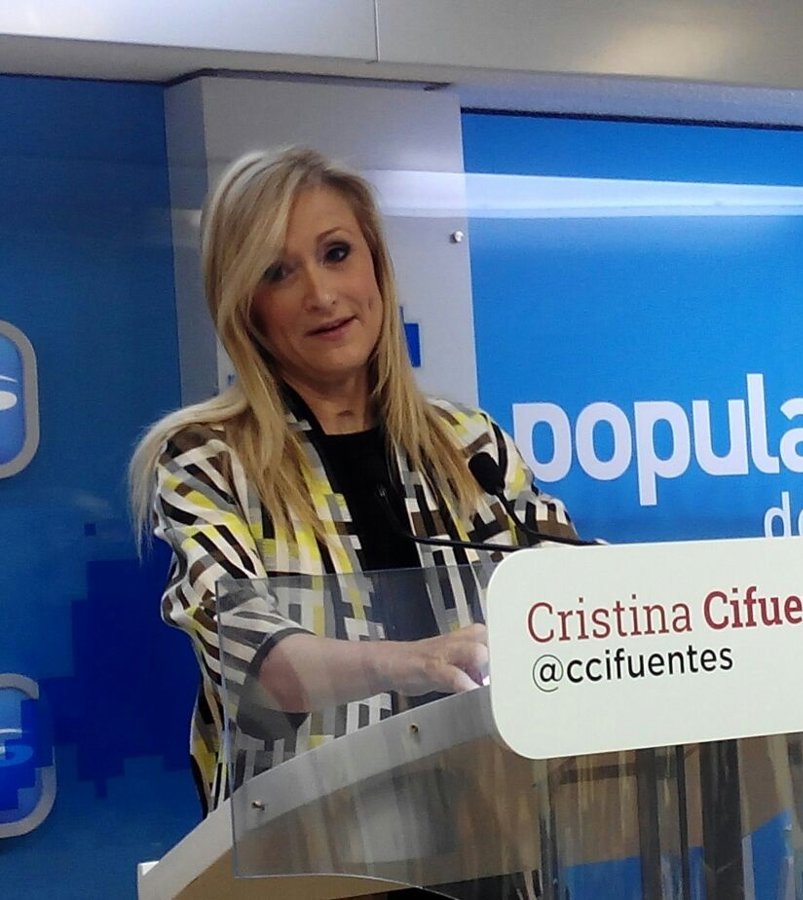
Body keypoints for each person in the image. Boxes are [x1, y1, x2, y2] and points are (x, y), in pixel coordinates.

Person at [129, 147, 575, 896]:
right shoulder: (206, 459)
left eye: (336, 253)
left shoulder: (471, 446)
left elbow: (583, 600)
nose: (321, 293)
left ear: (375, 265)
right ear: (245, 307)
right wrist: (413, 661)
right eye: (278, 272)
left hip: (492, 858)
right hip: (312, 869)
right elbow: (258, 661)